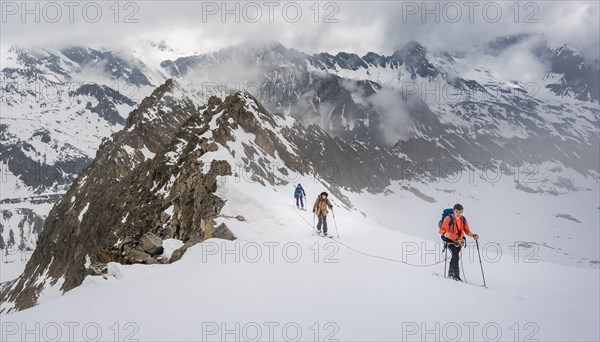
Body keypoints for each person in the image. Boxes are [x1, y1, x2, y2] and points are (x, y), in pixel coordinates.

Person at [439, 203, 479, 281]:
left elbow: (467, 231)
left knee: (455, 256)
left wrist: (474, 235)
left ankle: (450, 273)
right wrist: (445, 233)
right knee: (455, 255)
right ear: (454, 211)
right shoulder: (448, 218)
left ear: (462, 211)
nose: (458, 213)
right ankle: (456, 275)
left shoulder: (463, 219)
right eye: (457, 211)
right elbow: (442, 229)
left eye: (460, 212)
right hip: (449, 240)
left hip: (459, 242)